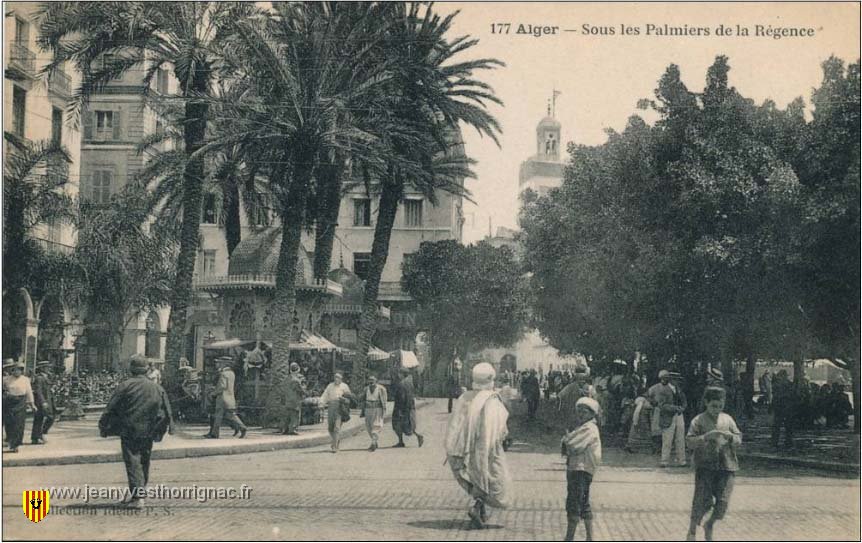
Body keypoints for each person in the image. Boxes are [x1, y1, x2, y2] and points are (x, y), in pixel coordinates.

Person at [445, 362, 512, 529]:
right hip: (486, 448)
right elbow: (498, 426)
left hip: (462, 448)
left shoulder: (465, 397)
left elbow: (455, 423)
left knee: (475, 477)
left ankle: (480, 509)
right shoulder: (492, 400)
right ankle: (477, 507)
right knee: (491, 478)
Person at [100, 355, 173, 508]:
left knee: (133, 461)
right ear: (147, 369)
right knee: (144, 461)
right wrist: (163, 430)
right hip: (149, 431)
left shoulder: (125, 385)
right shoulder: (157, 388)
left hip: (129, 430)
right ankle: (139, 494)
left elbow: (111, 407)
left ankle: (137, 497)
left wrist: (104, 426)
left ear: (131, 369)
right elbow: (166, 411)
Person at [685, 387, 742, 541]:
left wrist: (731, 437)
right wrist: (705, 437)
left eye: (720, 406)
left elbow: (739, 438)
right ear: (706, 403)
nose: (717, 410)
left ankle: (709, 523)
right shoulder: (698, 420)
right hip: (705, 466)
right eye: (713, 406)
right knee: (702, 500)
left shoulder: (728, 419)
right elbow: (689, 442)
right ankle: (691, 531)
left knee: (723, 502)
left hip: (727, 465)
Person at [562, 397, 602, 541]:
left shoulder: (589, 428)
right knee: (583, 502)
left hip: (581, 469)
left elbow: (573, 445)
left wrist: (567, 439)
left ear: (592, 414)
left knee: (574, 502)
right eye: (578, 412)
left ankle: (569, 538)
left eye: (584, 412)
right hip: (578, 468)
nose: (580, 415)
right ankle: (590, 537)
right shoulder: (584, 427)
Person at [648, 369, 687, 467]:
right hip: (668, 416)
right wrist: (675, 408)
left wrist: (682, 408)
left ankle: (681, 461)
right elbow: (662, 405)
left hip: (679, 415)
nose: (677, 381)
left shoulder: (678, 389)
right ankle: (664, 461)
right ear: (671, 379)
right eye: (675, 379)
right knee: (667, 439)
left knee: (680, 438)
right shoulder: (662, 389)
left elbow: (684, 400)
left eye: (678, 379)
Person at [204, 357, 247, 439]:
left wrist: (213, 393)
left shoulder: (223, 374)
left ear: (224, 364)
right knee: (231, 415)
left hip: (222, 398)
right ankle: (242, 427)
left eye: (219, 363)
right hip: (230, 398)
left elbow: (222, 386)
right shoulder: (231, 373)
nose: (218, 364)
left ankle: (214, 434)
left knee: (218, 417)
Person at [2, 361, 35, 453]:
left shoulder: (25, 379)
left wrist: (32, 404)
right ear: (12, 370)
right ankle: (11, 442)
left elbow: (29, 392)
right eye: (15, 370)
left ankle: (16, 444)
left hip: (21, 402)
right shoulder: (5, 380)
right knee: (10, 423)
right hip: (9, 402)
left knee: (19, 424)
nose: (17, 372)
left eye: (20, 370)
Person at [319, 372, 351, 453]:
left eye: (338, 377)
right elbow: (325, 395)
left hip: (340, 407)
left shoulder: (345, 386)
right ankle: (336, 440)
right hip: (331, 407)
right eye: (335, 377)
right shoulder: (330, 386)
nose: (336, 379)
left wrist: (344, 400)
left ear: (341, 378)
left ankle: (335, 446)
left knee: (337, 427)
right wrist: (321, 403)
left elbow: (349, 398)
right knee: (330, 428)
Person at [392, 369, 424, 448]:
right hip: (409, 407)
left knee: (398, 425)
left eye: (399, 373)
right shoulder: (409, 382)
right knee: (407, 425)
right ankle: (402, 441)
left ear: (402, 374)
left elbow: (402, 397)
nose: (398, 375)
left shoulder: (402, 384)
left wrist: (400, 410)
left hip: (402, 408)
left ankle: (403, 440)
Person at [31, 360, 55, 445]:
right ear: (42, 368)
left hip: (49, 400)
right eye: (47, 367)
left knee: (50, 417)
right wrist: (43, 402)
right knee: (40, 419)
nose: (49, 369)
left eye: (49, 367)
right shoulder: (39, 378)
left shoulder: (47, 377)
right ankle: (36, 437)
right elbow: (38, 391)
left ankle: (40, 434)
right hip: (42, 402)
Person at [361, 375, 387, 451]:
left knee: (376, 425)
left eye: (372, 380)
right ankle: (374, 441)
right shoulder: (366, 389)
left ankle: (373, 443)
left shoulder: (381, 389)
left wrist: (383, 408)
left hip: (377, 409)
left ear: (376, 381)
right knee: (369, 426)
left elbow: (384, 399)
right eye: (369, 380)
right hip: (368, 409)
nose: (371, 382)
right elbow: (362, 398)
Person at [770, 370, 794, 450]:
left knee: (777, 426)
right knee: (788, 426)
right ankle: (788, 443)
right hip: (787, 408)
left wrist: (771, 406)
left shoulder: (776, 385)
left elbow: (774, 397)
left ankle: (775, 443)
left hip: (780, 408)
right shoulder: (790, 385)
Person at [282, 363, 305, 435]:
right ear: (297, 370)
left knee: (287, 415)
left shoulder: (286, 379)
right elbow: (301, 390)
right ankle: (293, 429)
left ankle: (285, 429)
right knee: (295, 415)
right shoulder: (296, 380)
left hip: (287, 399)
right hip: (295, 400)